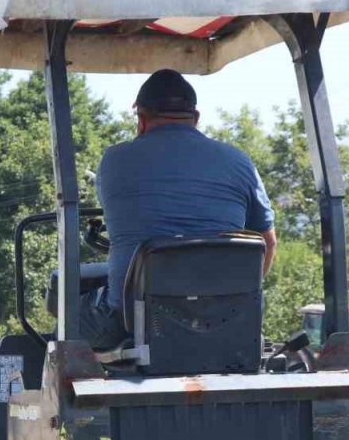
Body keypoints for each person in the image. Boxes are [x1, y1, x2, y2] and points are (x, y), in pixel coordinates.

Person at [82, 68, 278, 350]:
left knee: (68, 315)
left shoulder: (115, 161)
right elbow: (268, 242)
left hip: (134, 323)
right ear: (196, 118)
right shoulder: (239, 161)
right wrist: (237, 300)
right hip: (224, 320)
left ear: (141, 119)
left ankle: (54, 388)